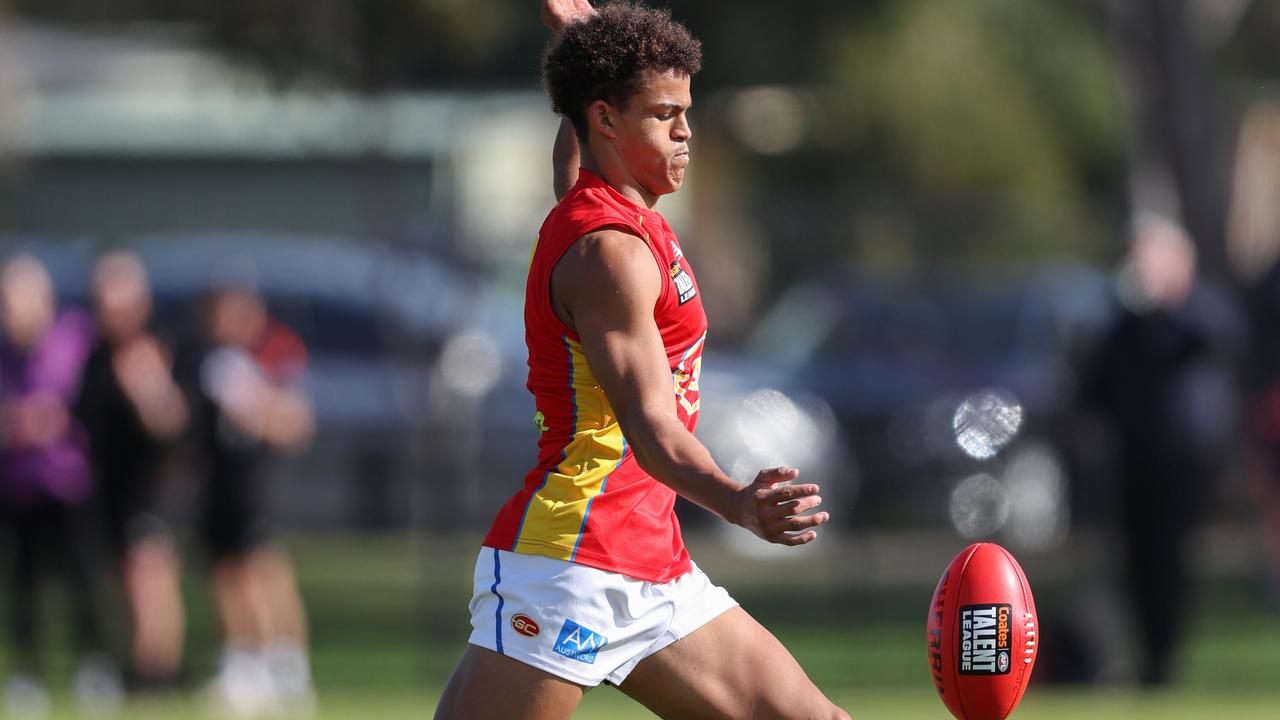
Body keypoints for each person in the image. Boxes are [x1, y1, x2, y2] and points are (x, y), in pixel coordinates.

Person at [435, 4, 850, 718]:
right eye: (664, 115)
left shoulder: (604, 211)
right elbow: (652, 427)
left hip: (650, 559)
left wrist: (582, 45)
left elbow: (570, 161)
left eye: (685, 111)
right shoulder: (610, 257)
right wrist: (737, 504)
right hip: (569, 562)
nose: (686, 131)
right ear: (605, 120)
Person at [0, 254, 121, 717]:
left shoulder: (76, 337)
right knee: (23, 582)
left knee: (84, 577)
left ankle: (94, 665)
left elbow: (95, 400)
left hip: (71, 481)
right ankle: (26, 672)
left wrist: (59, 418)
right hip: (18, 483)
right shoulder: (7, 350)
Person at [189, 279, 315, 716]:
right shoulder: (209, 360)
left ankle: (280, 664)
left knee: (260, 572)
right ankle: (246, 661)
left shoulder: (257, 362)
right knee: (228, 572)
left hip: (253, 487)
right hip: (221, 487)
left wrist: (266, 415)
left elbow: (290, 422)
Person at [76, 250, 189, 691]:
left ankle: (156, 675)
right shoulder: (96, 355)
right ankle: (142, 667)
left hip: (148, 487)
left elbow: (171, 424)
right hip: (110, 484)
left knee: (149, 578)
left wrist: (146, 391)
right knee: (125, 579)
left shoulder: (148, 352)